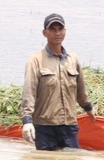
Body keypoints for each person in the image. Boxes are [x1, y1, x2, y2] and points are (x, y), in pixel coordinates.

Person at [21, 13, 96, 150]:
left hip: (69, 125)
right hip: (45, 127)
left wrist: (89, 108)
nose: (57, 33)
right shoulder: (36, 60)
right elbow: (29, 93)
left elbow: (80, 89)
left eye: (60, 29)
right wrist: (27, 121)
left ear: (65, 31)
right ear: (45, 33)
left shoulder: (73, 59)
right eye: (52, 29)